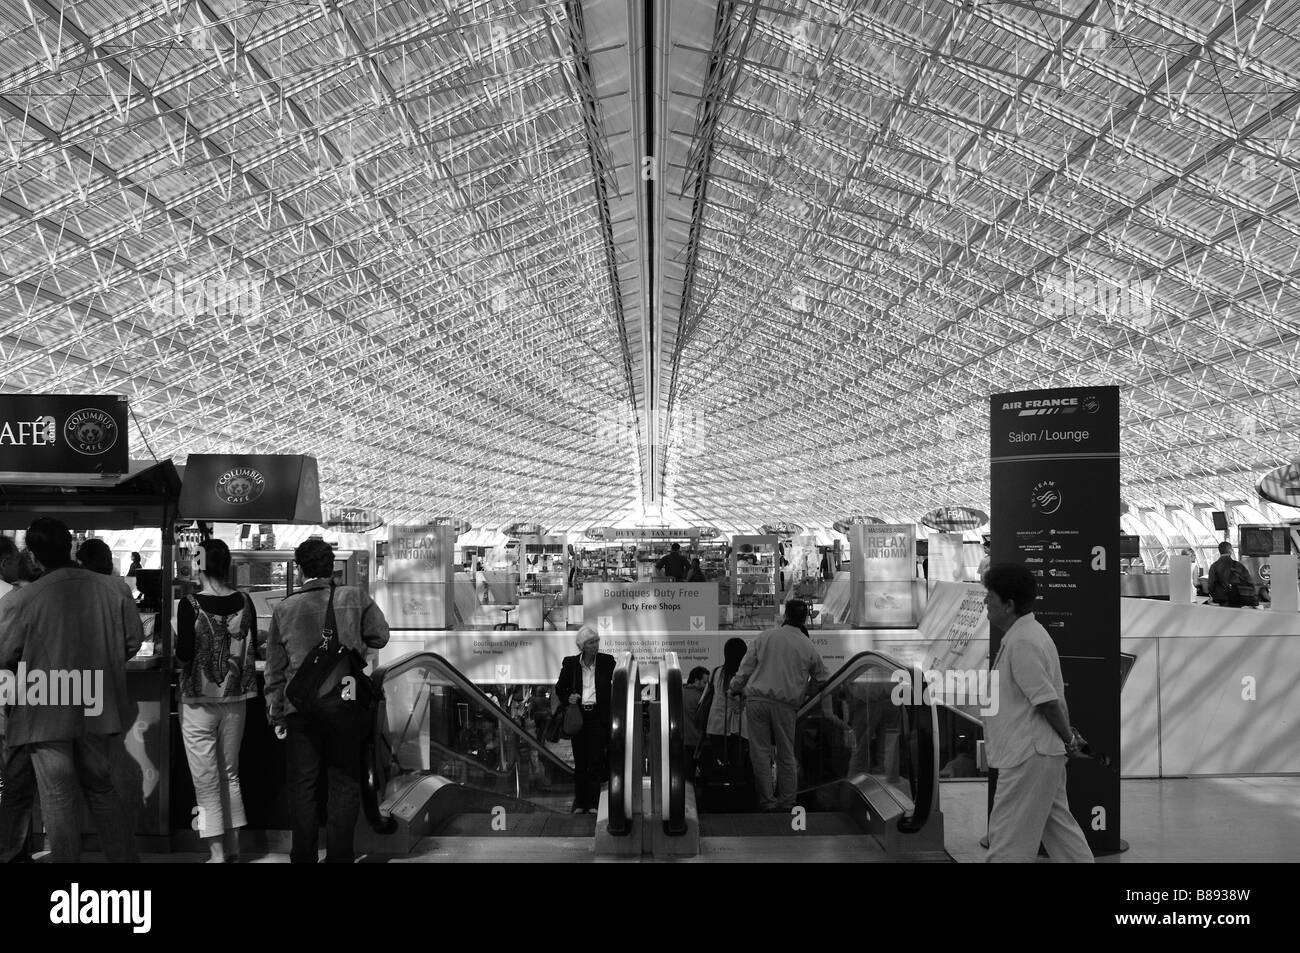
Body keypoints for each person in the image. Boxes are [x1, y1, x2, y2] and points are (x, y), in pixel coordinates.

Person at [0, 518, 140, 863]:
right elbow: (133, 641)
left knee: (57, 797)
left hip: (46, 705)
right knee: (102, 788)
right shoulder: (114, 589)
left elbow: (4, 653)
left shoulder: (24, 599)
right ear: (71, 545)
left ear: (32, 556)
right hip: (96, 700)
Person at [267, 538, 390, 863]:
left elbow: (275, 671)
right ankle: (339, 857)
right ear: (331, 566)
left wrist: (277, 714)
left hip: (300, 710)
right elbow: (381, 634)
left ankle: (303, 856)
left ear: (299, 568)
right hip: (345, 704)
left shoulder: (284, 608)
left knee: (303, 786)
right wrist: (353, 645)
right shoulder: (354, 597)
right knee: (344, 782)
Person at [982, 563, 1093, 863]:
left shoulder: (1023, 642)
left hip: (1027, 755)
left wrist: (1068, 738)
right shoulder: (1028, 634)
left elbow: (1045, 701)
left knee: (1007, 840)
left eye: (990, 597)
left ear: (1009, 604)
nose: (985, 604)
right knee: (1060, 831)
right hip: (1040, 752)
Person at [176, 539, 258, 863]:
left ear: (200, 564)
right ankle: (235, 848)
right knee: (230, 774)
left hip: (198, 703)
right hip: (235, 699)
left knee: (205, 778)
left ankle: (216, 853)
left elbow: (184, 654)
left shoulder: (189, 604)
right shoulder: (245, 601)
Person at [729, 600, 829, 811]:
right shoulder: (808, 645)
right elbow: (822, 678)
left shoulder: (766, 636)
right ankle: (788, 801)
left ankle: (767, 801)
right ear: (804, 619)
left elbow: (745, 667)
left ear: (785, 616)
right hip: (786, 704)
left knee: (760, 752)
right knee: (786, 753)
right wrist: (806, 693)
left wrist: (735, 687)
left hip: (756, 700)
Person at [0, 536, 36, 863]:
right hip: (11, 700)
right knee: (16, 783)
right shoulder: (15, 598)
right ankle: (13, 853)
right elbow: (10, 653)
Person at [554, 627, 614, 813]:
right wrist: (567, 699)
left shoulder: (607, 661)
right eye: (591, 642)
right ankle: (580, 803)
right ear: (582, 646)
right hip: (578, 716)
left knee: (596, 761)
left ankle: (595, 804)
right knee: (580, 762)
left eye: (596, 641)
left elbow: (620, 681)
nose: (595, 645)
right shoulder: (571, 663)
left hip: (598, 716)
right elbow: (560, 688)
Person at [1207, 542, 1256, 607]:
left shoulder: (1214, 566)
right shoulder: (1238, 565)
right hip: (1236, 598)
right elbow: (1249, 581)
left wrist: (1215, 597)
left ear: (1220, 551)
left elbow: (1210, 585)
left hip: (1220, 600)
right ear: (1230, 550)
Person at [682, 666, 709, 780]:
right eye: (704, 682)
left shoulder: (680, 693)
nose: (707, 686)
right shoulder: (702, 697)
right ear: (696, 681)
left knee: (688, 777)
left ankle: (689, 797)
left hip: (685, 741)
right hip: (702, 743)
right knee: (706, 777)